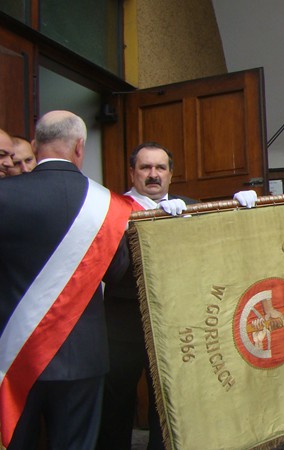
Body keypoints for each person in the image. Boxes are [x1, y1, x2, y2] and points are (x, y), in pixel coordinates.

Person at [0, 111, 131, 449]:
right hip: (83, 357)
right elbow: (116, 273)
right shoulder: (107, 205)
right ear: (79, 147)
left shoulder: (4, 194)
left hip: (14, 355)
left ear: (34, 145)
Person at [97, 142, 199, 450]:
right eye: (145, 167)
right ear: (132, 173)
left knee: (167, 404)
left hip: (172, 323)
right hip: (124, 324)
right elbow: (109, 270)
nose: (153, 174)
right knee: (116, 404)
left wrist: (240, 208)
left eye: (160, 168)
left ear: (170, 174)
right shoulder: (112, 209)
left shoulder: (192, 207)